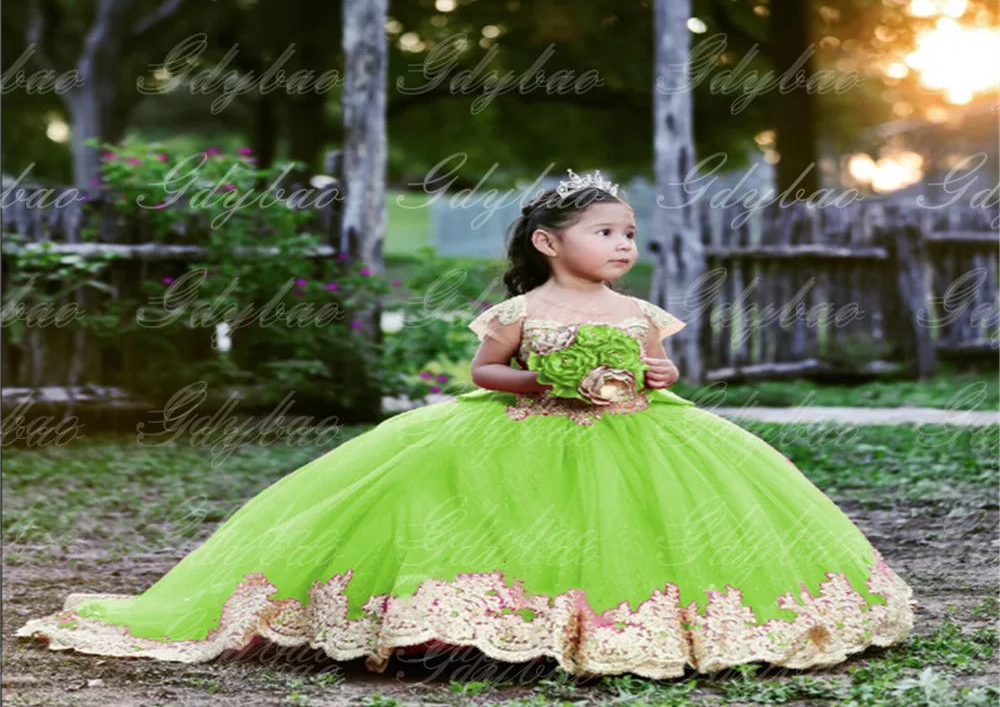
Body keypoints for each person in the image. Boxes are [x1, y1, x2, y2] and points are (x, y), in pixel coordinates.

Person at [15, 170, 916, 679]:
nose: (623, 246)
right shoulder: (521, 307)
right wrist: (536, 379)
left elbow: (665, 371)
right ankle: (460, 623)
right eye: (605, 233)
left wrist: (644, 372)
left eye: (629, 233)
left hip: (639, 433)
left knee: (637, 525)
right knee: (486, 508)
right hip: (520, 424)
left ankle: (631, 627)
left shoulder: (641, 309)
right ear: (549, 244)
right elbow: (483, 372)